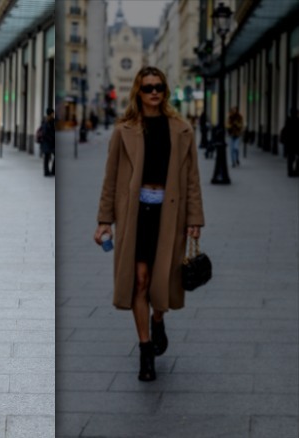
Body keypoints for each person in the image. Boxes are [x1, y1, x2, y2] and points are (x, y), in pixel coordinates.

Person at [93, 66, 204, 382]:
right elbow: (110, 179)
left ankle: (158, 320)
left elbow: (192, 179)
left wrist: (195, 219)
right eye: (147, 87)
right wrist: (104, 221)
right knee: (140, 281)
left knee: (162, 281)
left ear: (165, 91)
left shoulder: (181, 130)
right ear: (138, 93)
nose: (154, 92)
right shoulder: (124, 129)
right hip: (135, 215)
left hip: (170, 216)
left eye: (158, 87)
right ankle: (145, 352)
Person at [280, 108, 298, 177]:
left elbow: (285, 132)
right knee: (294, 158)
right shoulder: (296, 121)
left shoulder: (288, 121)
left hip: (289, 144)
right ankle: (295, 171)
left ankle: (290, 172)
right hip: (295, 143)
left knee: (290, 159)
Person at [40, 108, 56, 176]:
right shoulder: (46, 121)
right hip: (47, 142)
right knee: (46, 157)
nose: (53, 114)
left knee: (49, 157)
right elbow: (45, 133)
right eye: (53, 113)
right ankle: (46, 172)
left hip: (51, 142)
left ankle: (53, 171)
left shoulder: (52, 121)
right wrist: (51, 138)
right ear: (50, 113)